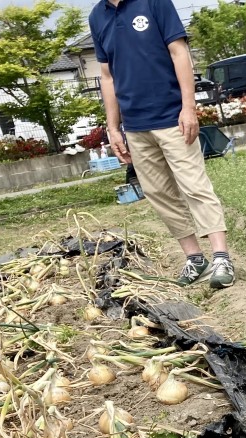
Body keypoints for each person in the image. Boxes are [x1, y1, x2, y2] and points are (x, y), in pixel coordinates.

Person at [89, 0, 235, 289]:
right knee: (158, 193)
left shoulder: (154, 2)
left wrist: (188, 107)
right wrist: (113, 128)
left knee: (194, 185)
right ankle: (195, 258)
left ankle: (221, 257)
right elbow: (107, 76)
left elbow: (179, 52)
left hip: (172, 117)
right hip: (135, 126)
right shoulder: (97, 16)